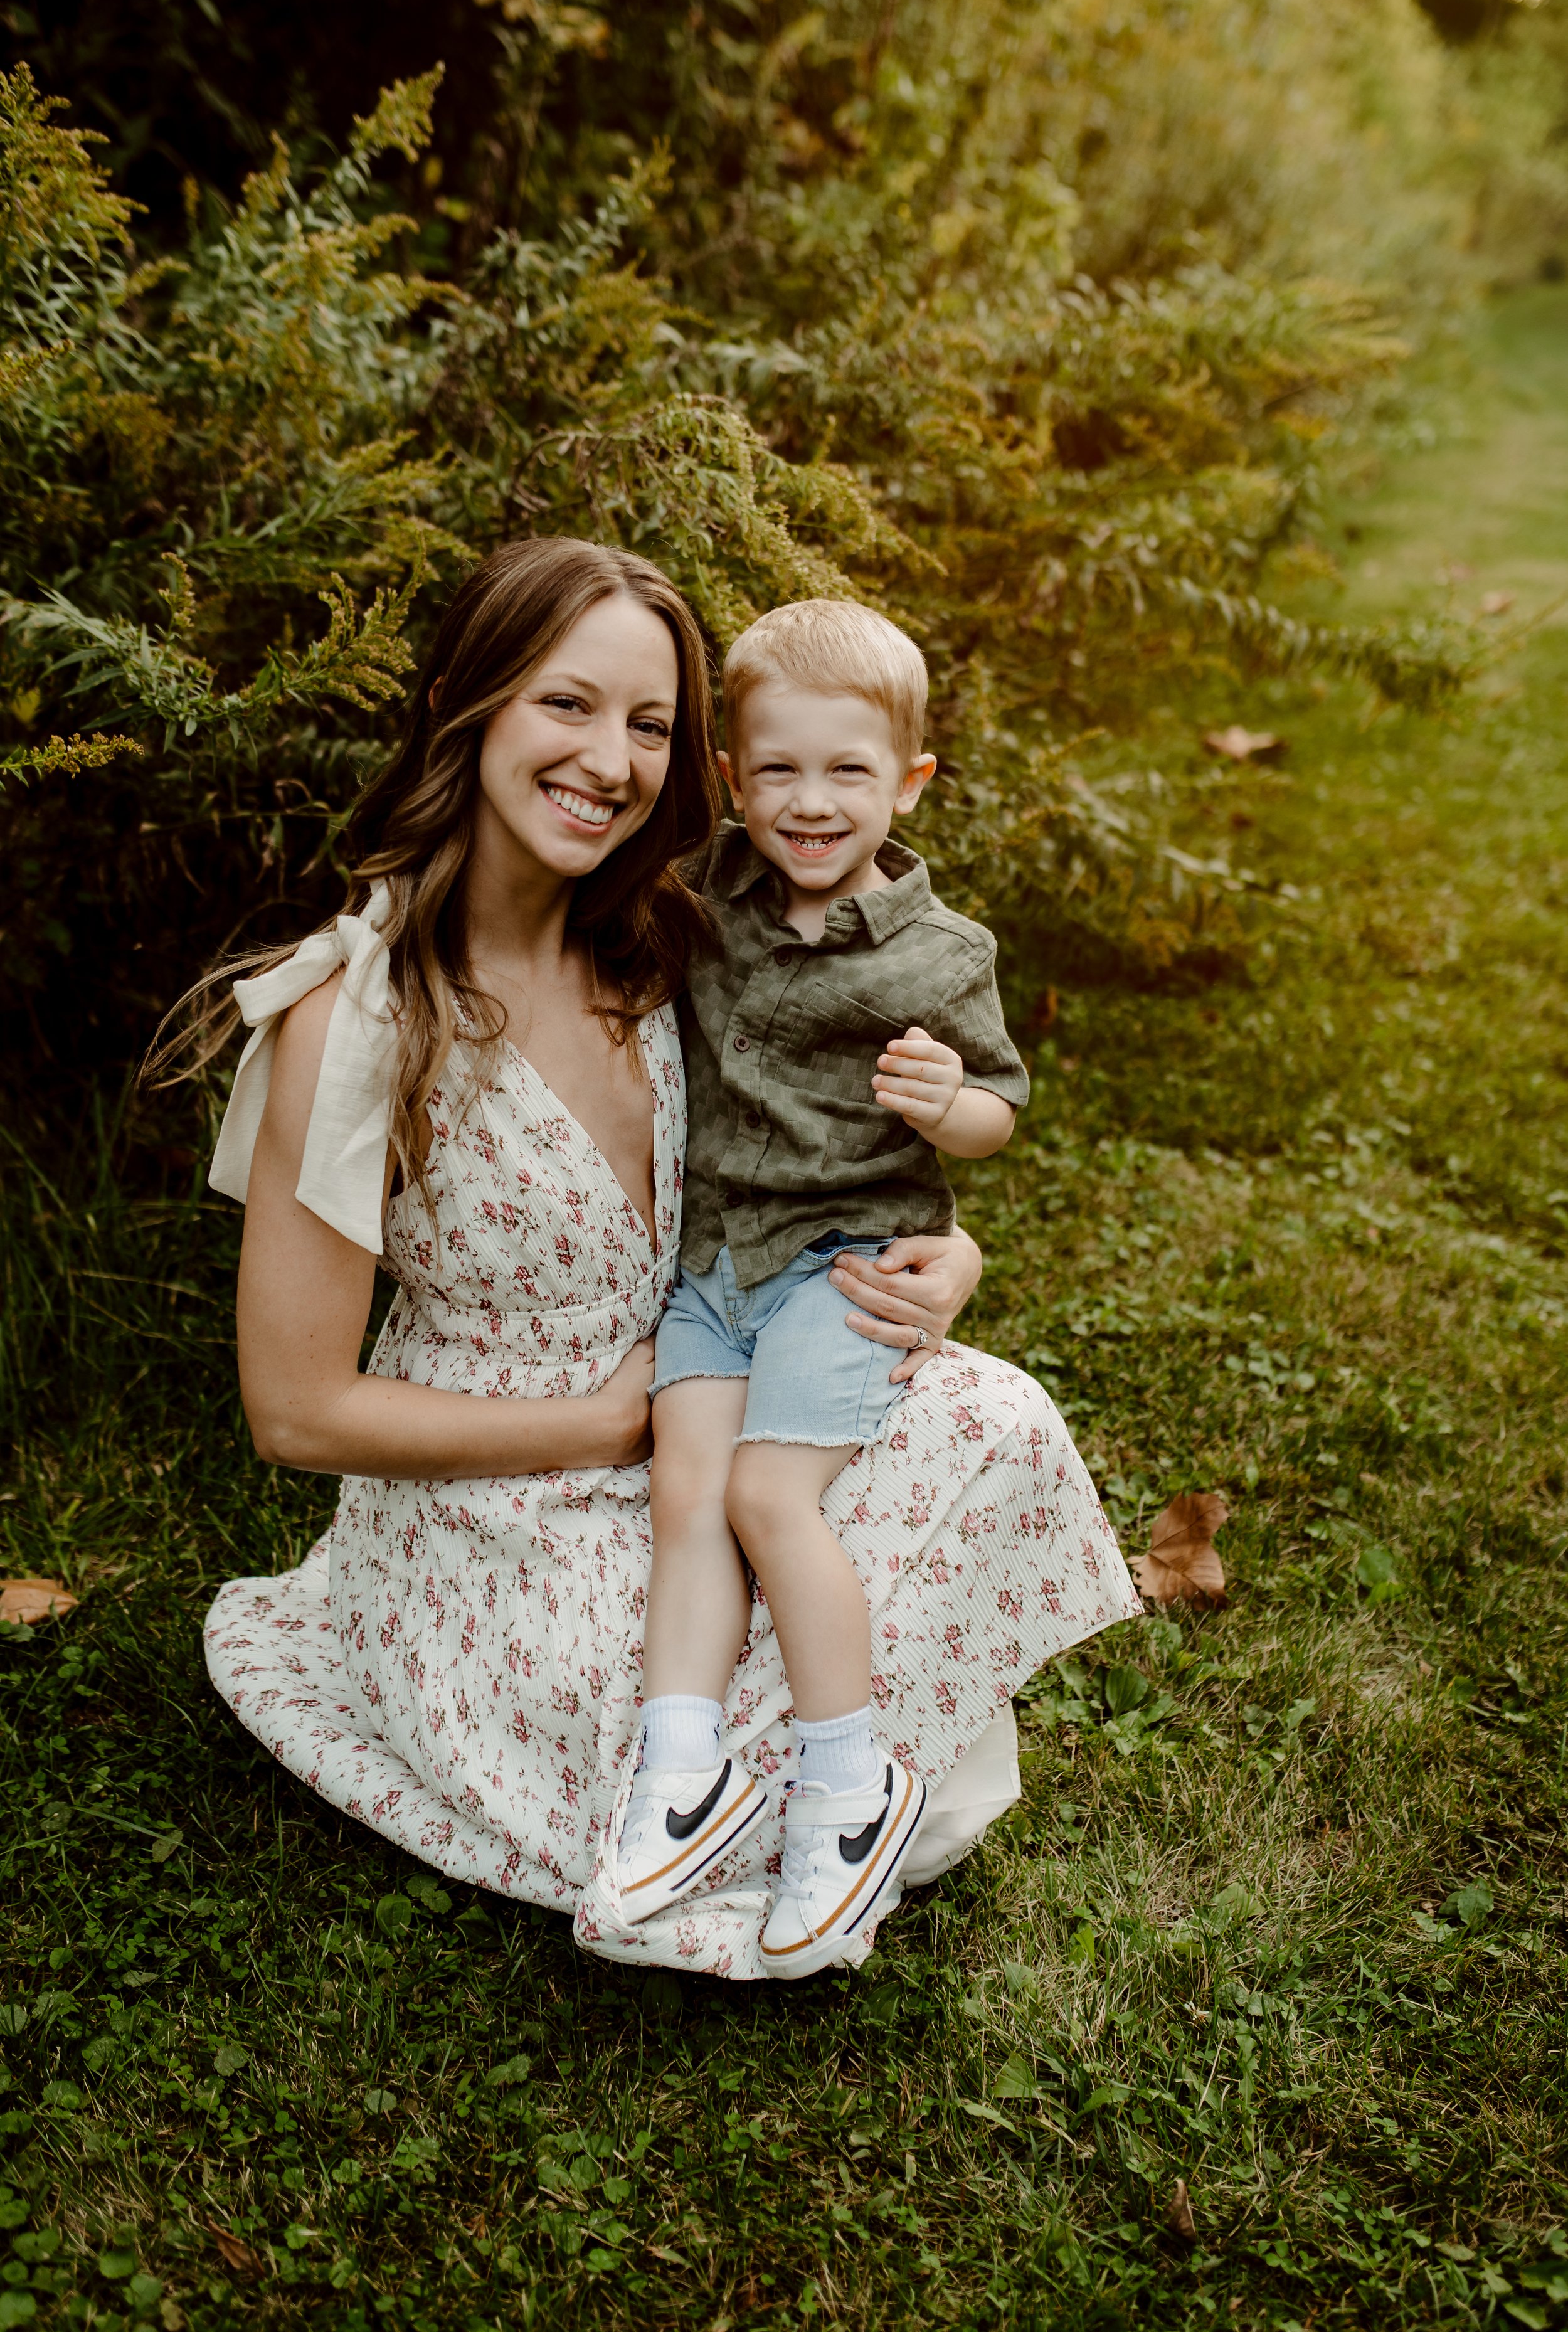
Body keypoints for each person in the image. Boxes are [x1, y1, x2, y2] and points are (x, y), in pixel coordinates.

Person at [189, 534, 1142, 1980]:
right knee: (635, 1673)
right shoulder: (358, 1019)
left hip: (719, 1368)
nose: (610, 760)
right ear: (470, 702)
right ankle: (746, 1787)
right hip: (501, 1482)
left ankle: (821, 1782)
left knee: (992, 1416)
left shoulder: (672, 943)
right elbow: (297, 1411)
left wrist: (942, 1261)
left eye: (649, 726)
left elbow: (818, 1159)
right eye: (565, 706)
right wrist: (595, 1420)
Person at [618, 601, 1029, 1979]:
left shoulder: (938, 954)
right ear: (732, 777)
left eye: (847, 770)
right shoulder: (696, 900)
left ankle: (845, 1790)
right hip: (711, 1263)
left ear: (907, 781)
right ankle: (677, 1771)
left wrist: (949, 1102)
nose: (810, 801)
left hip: (836, 1267)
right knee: (685, 1488)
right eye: (778, 769)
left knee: (760, 1495)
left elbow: (996, 1118)